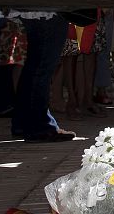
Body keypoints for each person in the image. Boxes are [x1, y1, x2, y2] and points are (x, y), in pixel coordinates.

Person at [10, 11, 76, 142]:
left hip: (38, 8)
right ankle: (39, 127)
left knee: (35, 64)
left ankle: (24, 122)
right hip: (47, 9)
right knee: (41, 66)